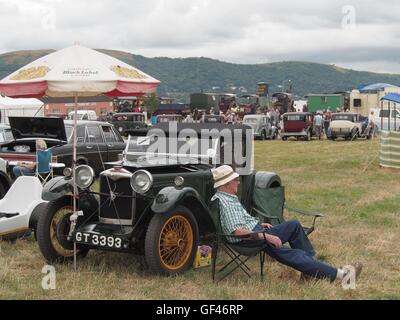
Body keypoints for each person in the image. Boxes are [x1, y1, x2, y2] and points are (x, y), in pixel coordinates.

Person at [211, 165, 362, 283]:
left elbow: (240, 222)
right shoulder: (226, 202)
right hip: (251, 240)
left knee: (294, 225)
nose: (238, 181)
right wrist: (266, 237)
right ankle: (342, 276)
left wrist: (260, 226)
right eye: (235, 179)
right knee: (292, 254)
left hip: (255, 232)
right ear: (225, 184)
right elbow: (236, 232)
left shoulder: (227, 197)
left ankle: (308, 270)